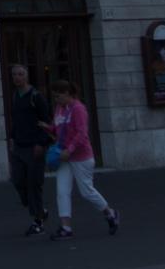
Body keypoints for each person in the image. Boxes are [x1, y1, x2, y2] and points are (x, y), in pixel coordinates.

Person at [47, 79, 118, 240]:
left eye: (58, 96)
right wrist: (48, 128)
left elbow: (82, 134)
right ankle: (66, 227)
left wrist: (69, 149)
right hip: (64, 157)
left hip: (81, 157)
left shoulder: (79, 109)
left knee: (86, 191)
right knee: (62, 191)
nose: (56, 100)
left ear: (67, 94)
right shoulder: (60, 108)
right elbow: (57, 128)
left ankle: (110, 213)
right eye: (55, 97)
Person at [6, 63, 54, 236]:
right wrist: (12, 138)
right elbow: (16, 120)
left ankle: (38, 221)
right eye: (14, 75)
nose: (17, 77)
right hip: (19, 145)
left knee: (34, 184)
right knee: (17, 180)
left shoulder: (36, 96)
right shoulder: (15, 96)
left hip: (34, 146)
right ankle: (40, 209)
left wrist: (41, 143)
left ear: (26, 76)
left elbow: (47, 122)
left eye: (20, 74)